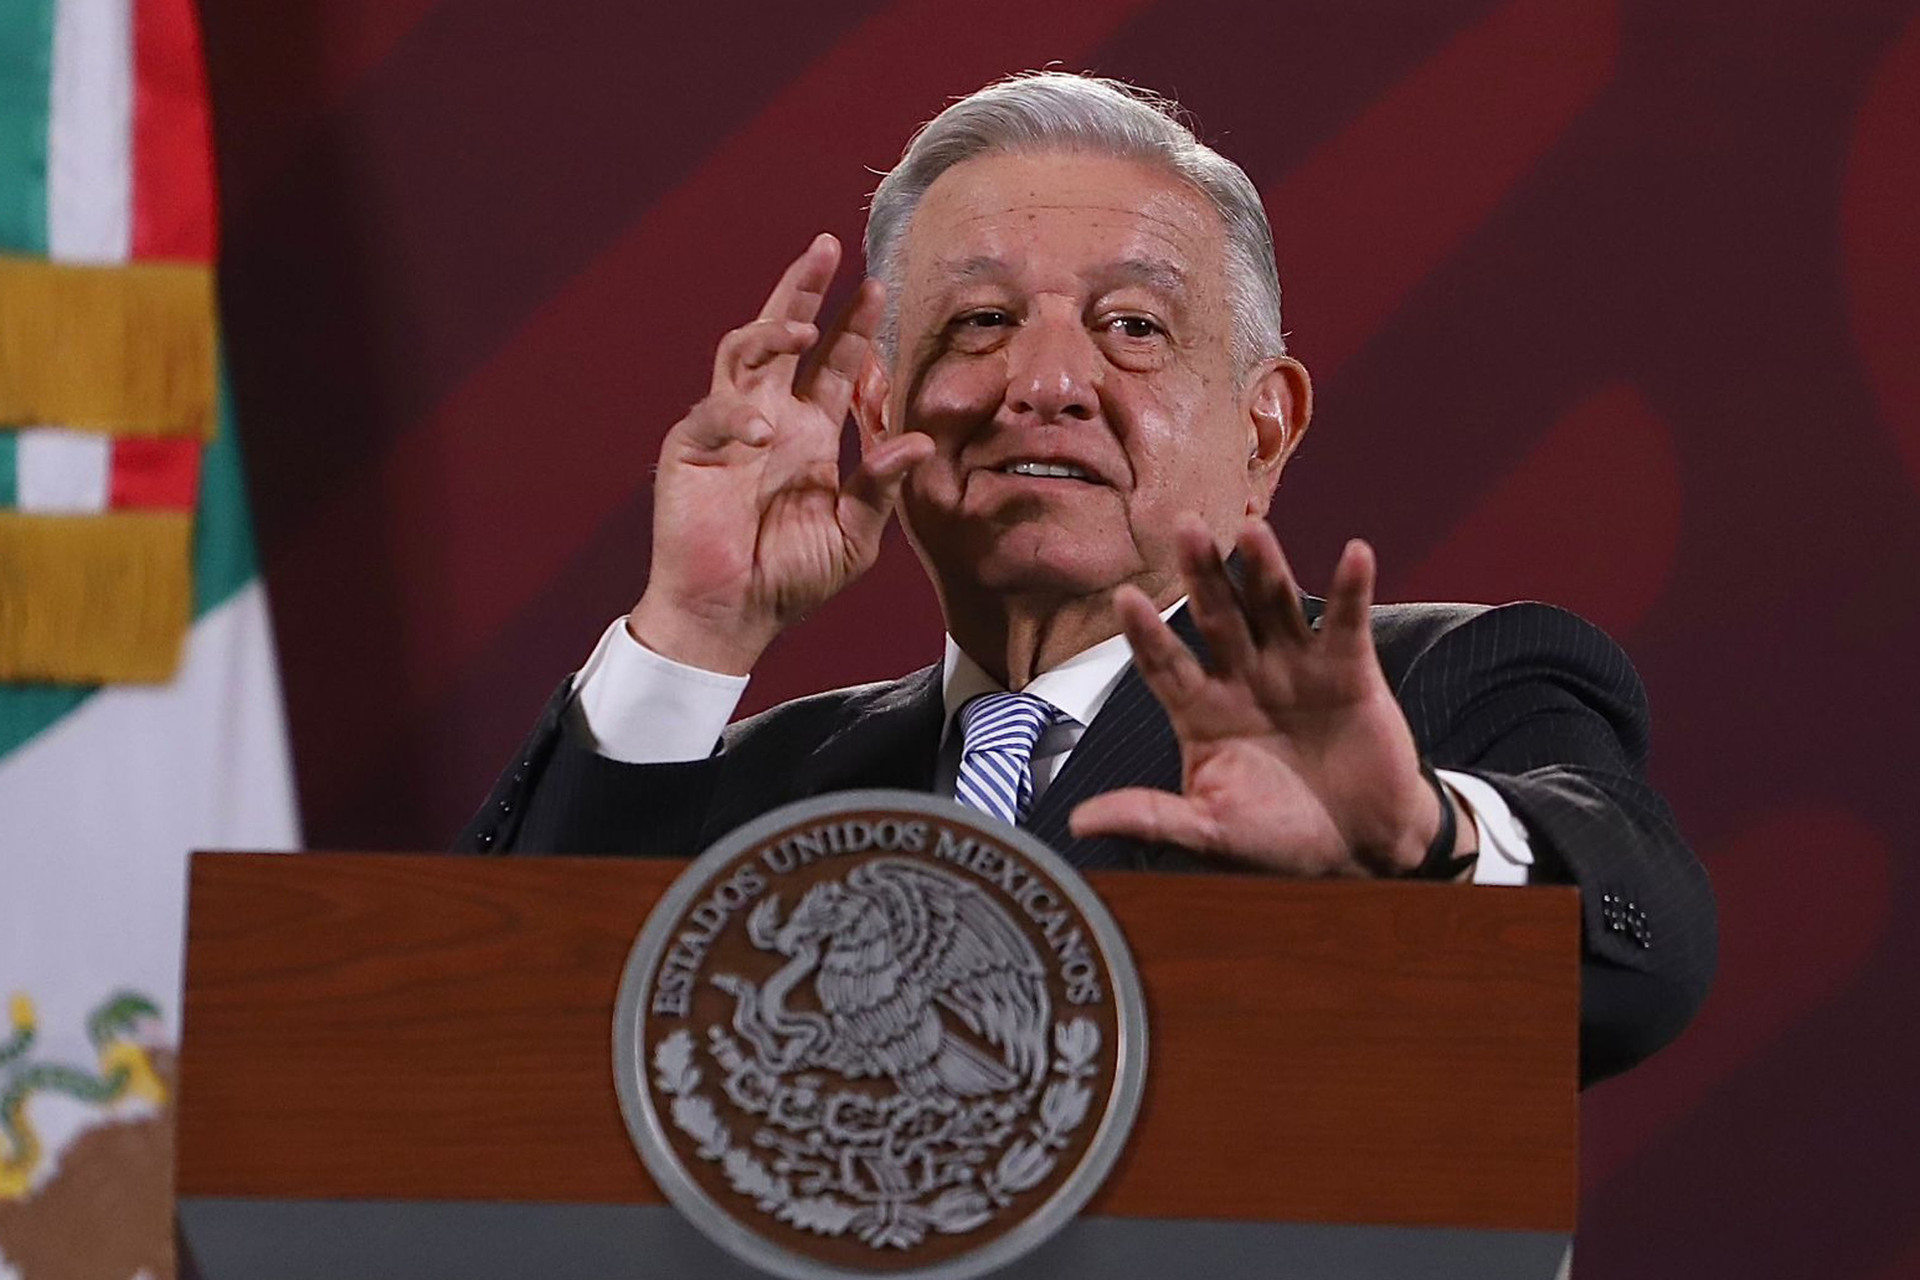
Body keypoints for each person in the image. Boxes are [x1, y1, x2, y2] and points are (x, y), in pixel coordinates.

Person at [460, 72, 1714, 1083]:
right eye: (980, 322)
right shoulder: (757, 785)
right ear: (881, 408)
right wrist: (692, 625)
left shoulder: (1431, 693)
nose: (1047, 383)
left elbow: (1647, 947)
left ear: (1264, 429)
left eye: (1133, 327)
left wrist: (1422, 839)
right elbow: (482, 1049)